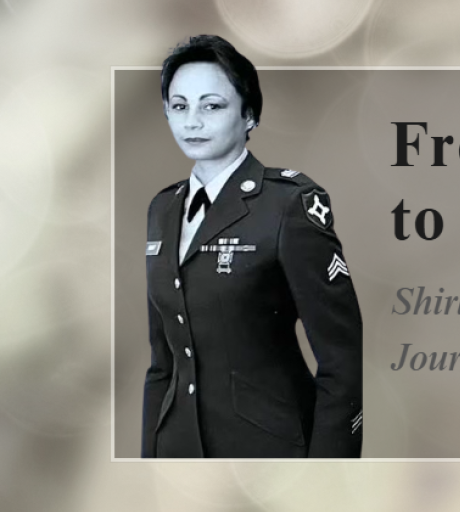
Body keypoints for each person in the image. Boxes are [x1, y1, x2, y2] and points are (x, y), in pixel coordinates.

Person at [142, 35, 362, 458]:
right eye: (180, 106)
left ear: (249, 115)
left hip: (267, 449)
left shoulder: (287, 204)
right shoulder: (161, 209)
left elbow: (341, 362)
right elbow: (162, 364)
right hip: (178, 450)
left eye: (212, 105)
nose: (192, 121)